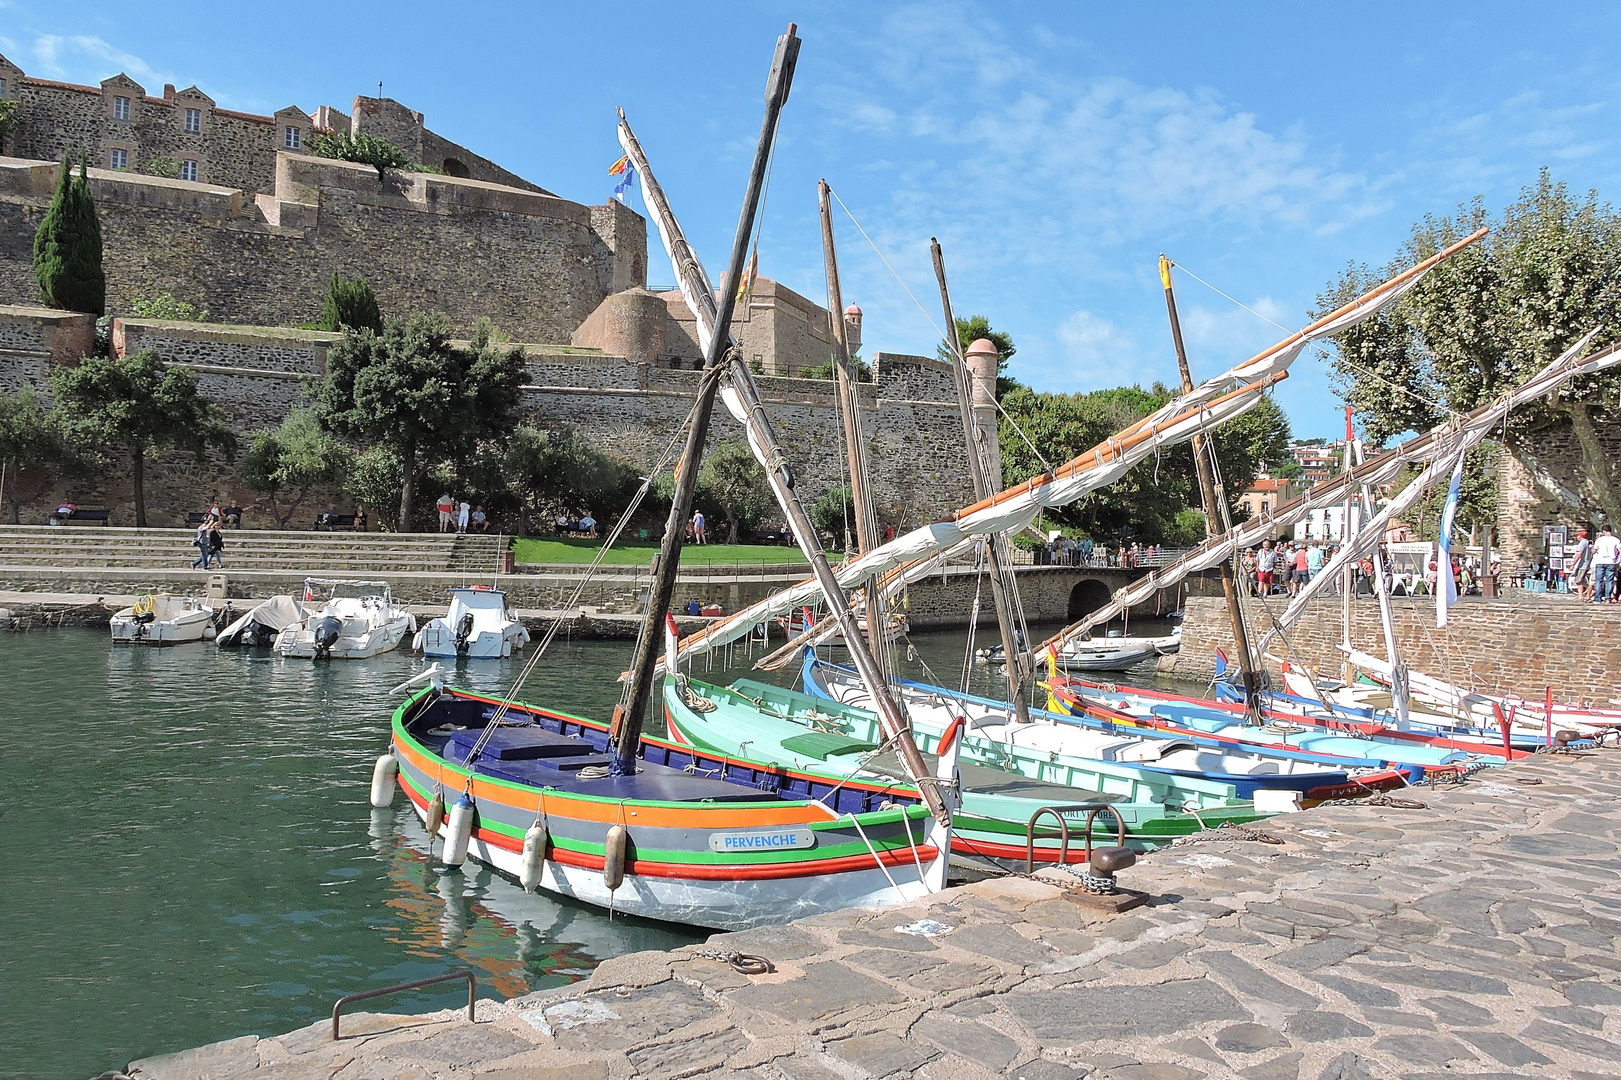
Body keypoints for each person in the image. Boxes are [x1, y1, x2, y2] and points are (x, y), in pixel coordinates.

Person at [1593, 525, 1620, 603]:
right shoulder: (1616, 540)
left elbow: (1594, 550)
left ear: (1603, 531)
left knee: (1599, 580)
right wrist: (1618, 560)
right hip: (1611, 561)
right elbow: (1620, 550)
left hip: (1600, 561)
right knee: (1609, 580)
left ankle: (1598, 598)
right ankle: (1608, 598)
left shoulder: (1599, 540)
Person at [1570, 528, 1594, 601]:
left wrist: (1573, 563)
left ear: (1581, 536)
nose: (1577, 537)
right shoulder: (1588, 542)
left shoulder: (1582, 543)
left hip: (1583, 564)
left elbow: (1579, 553)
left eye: (1578, 536)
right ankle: (1585, 592)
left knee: (1578, 579)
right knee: (1580, 579)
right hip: (1586, 563)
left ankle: (1585, 592)